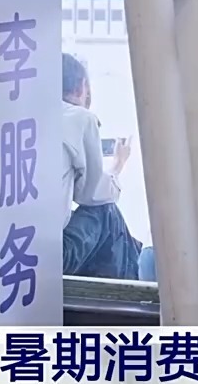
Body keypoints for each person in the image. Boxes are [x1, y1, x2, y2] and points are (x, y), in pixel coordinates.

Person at [60, 53, 142, 279]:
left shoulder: (22, 119)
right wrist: (118, 165)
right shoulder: (79, 118)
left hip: (13, 248)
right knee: (107, 212)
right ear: (81, 86)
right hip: (52, 256)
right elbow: (92, 195)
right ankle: (133, 293)